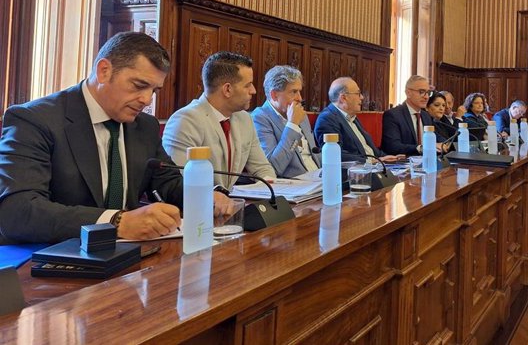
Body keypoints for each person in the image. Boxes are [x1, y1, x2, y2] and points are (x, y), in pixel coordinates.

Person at [0, 32, 232, 244]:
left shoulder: (145, 126)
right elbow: (18, 211)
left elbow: (167, 183)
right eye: (139, 85)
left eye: (154, 90)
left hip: (129, 260)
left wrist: (204, 196)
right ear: (104, 71)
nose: (146, 100)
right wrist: (116, 221)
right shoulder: (35, 119)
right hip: (52, 260)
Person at [163, 52, 276, 189]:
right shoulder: (185, 120)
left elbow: (262, 169)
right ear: (227, 89)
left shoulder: (245, 118)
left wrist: (269, 186)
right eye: (248, 85)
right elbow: (180, 182)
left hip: (232, 204)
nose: (253, 91)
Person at [251, 65, 321, 178]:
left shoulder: (300, 114)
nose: (299, 98)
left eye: (299, 91)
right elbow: (274, 168)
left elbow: (313, 154)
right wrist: (292, 125)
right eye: (293, 92)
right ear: (274, 95)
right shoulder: (259, 118)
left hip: (318, 179)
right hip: (294, 186)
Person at [314, 77, 403, 163]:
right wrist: (372, 161)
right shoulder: (327, 119)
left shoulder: (352, 117)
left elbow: (370, 150)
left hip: (374, 167)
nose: (362, 97)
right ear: (343, 98)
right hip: (354, 174)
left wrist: (386, 158)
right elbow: (336, 154)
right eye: (358, 93)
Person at [381, 75, 440, 155]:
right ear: (408, 93)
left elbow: (435, 139)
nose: (426, 97)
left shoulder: (426, 116)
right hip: (404, 163)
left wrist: (444, 144)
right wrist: (420, 148)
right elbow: (392, 146)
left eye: (428, 93)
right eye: (421, 92)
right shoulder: (393, 115)